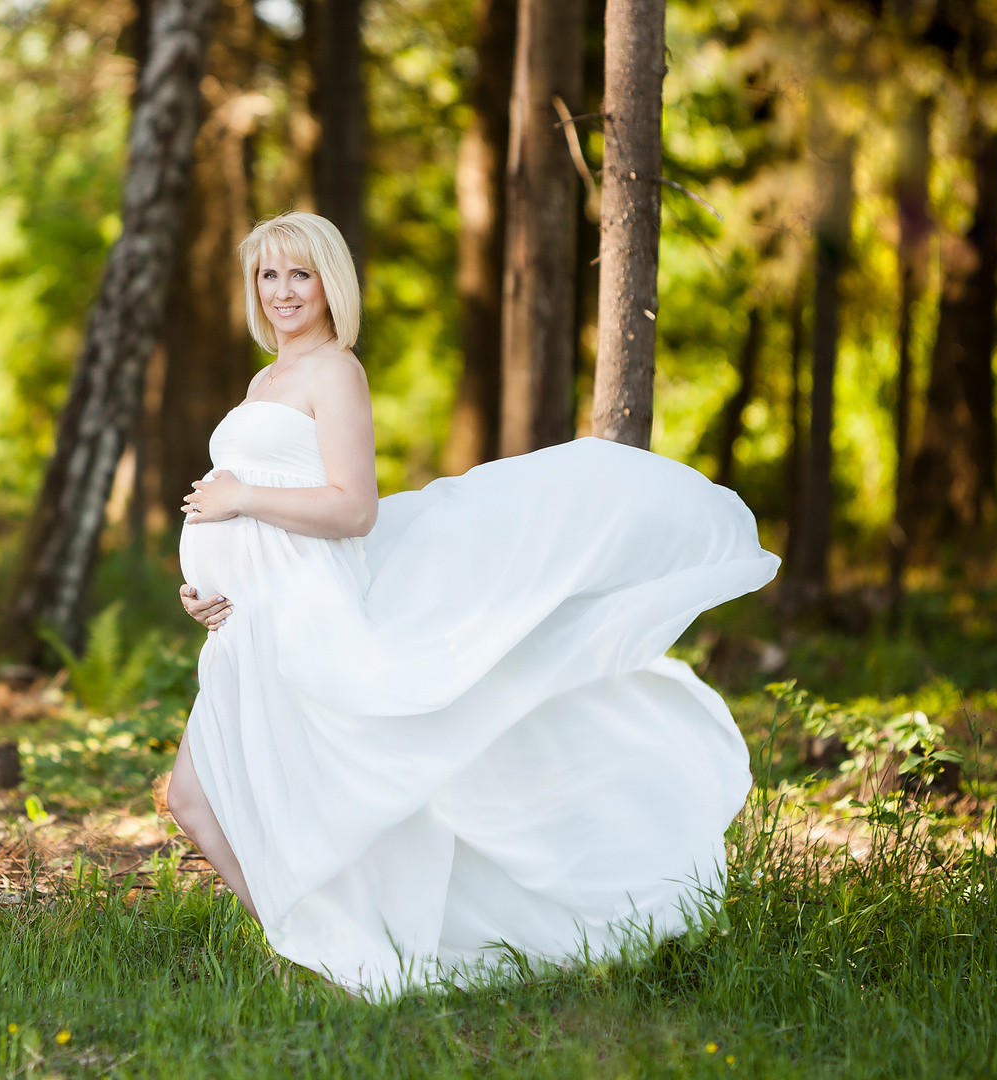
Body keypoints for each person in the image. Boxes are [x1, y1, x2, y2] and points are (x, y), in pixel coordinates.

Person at [168, 211, 779, 999]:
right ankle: (310, 948)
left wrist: (239, 496)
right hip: (251, 621)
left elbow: (354, 510)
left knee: (298, 797)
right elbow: (256, 515)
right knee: (195, 796)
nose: (283, 291)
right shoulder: (264, 381)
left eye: (300, 274)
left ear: (329, 285)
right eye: (268, 275)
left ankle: (324, 960)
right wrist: (210, 585)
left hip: (308, 620)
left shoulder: (335, 373)